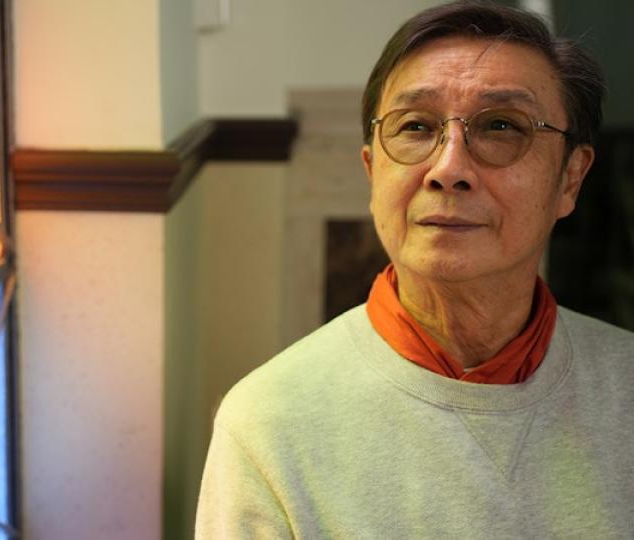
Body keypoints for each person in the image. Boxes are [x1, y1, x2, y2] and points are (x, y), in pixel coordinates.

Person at [195, 2, 634, 538]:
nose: (448, 168)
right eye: (416, 126)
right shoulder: (269, 421)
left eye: (501, 126)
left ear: (570, 178)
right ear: (372, 171)